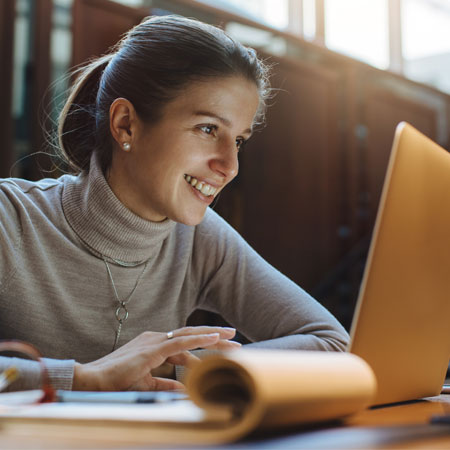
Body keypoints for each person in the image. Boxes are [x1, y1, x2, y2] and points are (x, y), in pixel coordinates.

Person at [0, 15, 349, 393]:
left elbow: (331, 343)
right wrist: (85, 378)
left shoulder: (198, 238)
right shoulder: (10, 219)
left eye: (239, 140)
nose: (230, 166)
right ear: (125, 125)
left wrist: (180, 368)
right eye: (207, 129)